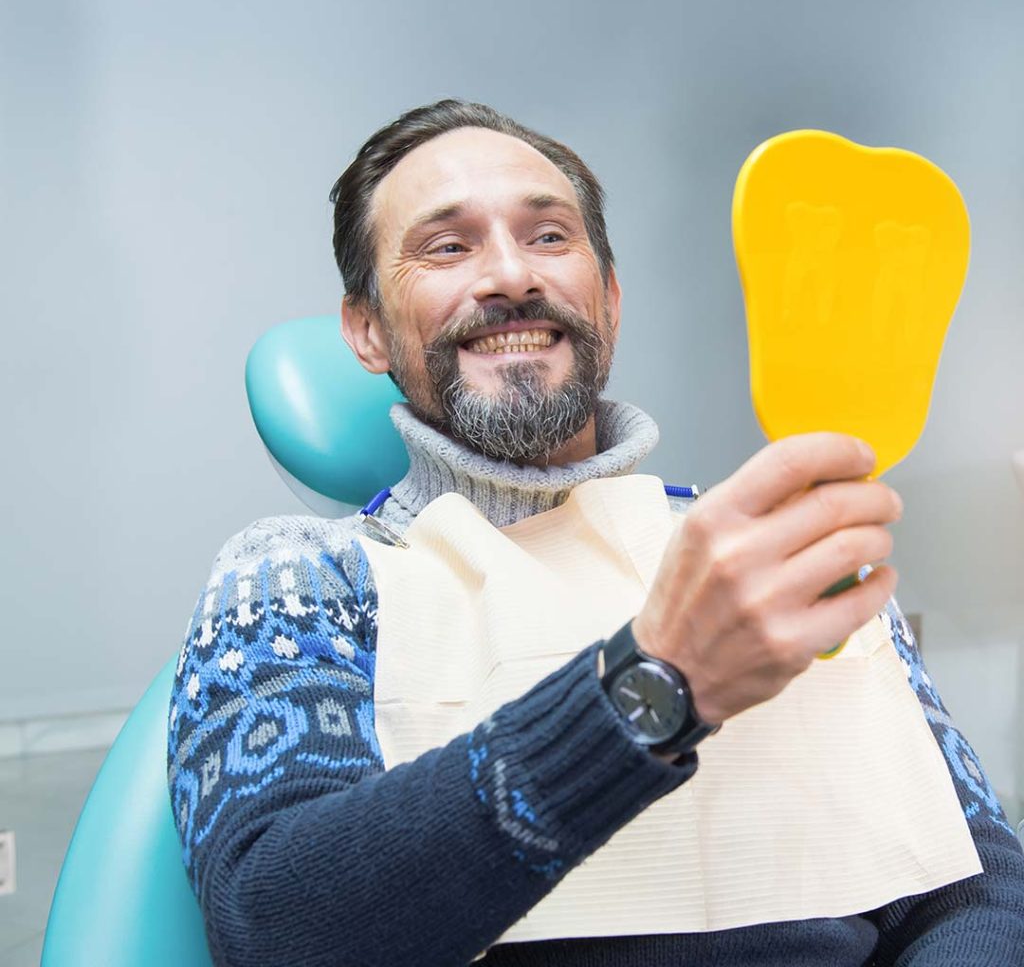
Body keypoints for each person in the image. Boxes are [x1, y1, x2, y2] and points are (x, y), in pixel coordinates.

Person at [168, 99, 1024, 966]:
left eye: (549, 237)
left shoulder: (767, 552)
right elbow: (275, 928)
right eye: (447, 245)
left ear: (609, 300)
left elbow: (977, 883)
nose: (511, 275)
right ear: (367, 328)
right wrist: (658, 683)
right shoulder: (300, 576)